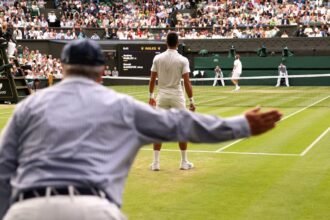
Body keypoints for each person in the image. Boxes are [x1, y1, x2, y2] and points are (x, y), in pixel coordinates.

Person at [0, 39, 282, 220]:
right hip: (93, 209)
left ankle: (161, 162)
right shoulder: (120, 105)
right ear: (101, 73)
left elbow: (4, 169)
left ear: (62, 69)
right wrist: (240, 125)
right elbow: (181, 124)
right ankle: (180, 161)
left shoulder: (29, 107)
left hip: (25, 210)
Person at [148, 32, 196, 171]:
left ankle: (156, 164)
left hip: (161, 96)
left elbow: (152, 80)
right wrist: (192, 101)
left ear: (166, 43)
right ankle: (184, 162)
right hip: (177, 97)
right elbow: (187, 82)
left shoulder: (158, 58)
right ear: (178, 43)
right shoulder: (183, 60)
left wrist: (151, 96)